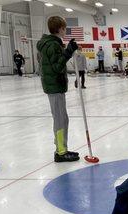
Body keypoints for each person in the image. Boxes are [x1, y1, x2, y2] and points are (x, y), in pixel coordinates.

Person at [36, 16, 79, 162]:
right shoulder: (52, 45)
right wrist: (68, 52)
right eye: (64, 28)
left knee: (62, 118)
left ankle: (62, 148)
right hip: (54, 85)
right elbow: (57, 67)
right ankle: (60, 152)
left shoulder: (51, 43)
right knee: (60, 120)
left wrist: (67, 50)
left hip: (55, 85)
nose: (65, 30)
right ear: (59, 28)